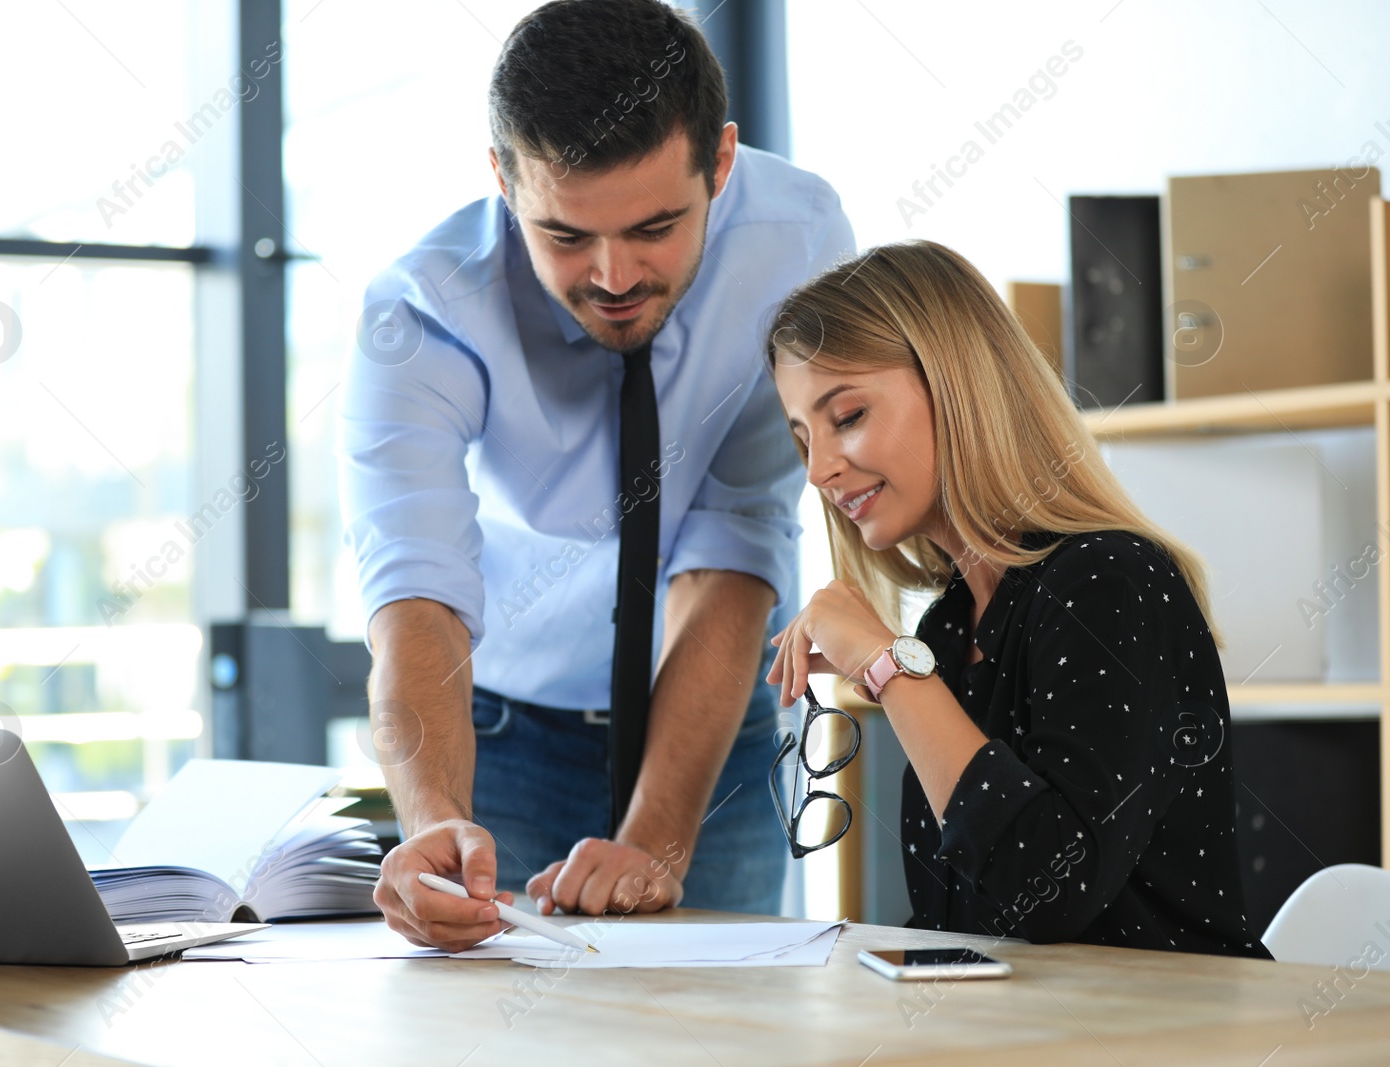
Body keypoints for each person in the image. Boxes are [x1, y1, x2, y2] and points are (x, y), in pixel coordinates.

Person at [339, 0, 853, 951]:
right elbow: (416, 592)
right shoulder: (418, 311)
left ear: (723, 162)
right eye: (567, 236)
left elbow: (738, 538)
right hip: (501, 725)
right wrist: (431, 823)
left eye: (656, 226)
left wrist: (655, 842)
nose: (614, 274)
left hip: (710, 709)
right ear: (502, 177)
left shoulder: (797, 240)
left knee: (717, 1024)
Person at [765, 240, 1271, 957]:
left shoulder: (1108, 581)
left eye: (845, 416)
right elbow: (959, 917)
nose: (819, 468)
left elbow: (1048, 889)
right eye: (801, 437)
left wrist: (885, 665)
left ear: (957, 385)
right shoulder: (946, 626)